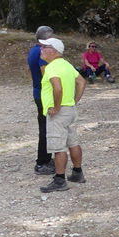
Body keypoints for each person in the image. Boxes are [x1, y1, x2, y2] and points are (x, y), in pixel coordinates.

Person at [37, 37, 87, 193]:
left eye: (44, 46)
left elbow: (57, 89)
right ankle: (77, 173)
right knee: (73, 142)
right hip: (70, 110)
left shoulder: (51, 67)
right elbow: (81, 81)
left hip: (59, 112)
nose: (40, 49)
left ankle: (59, 180)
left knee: (59, 147)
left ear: (53, 50)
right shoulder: (67, 65)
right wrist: (74, 101)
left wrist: (56, 107)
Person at [28, 25, 55, 175]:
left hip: (37, 92)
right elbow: (46, 75)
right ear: (48, 38)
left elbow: (30, 71)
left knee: (44, 126)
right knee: (46, 129)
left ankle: (46, 158)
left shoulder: (33, 50)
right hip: (44, 95)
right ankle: (41, 162)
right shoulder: (42, 53)